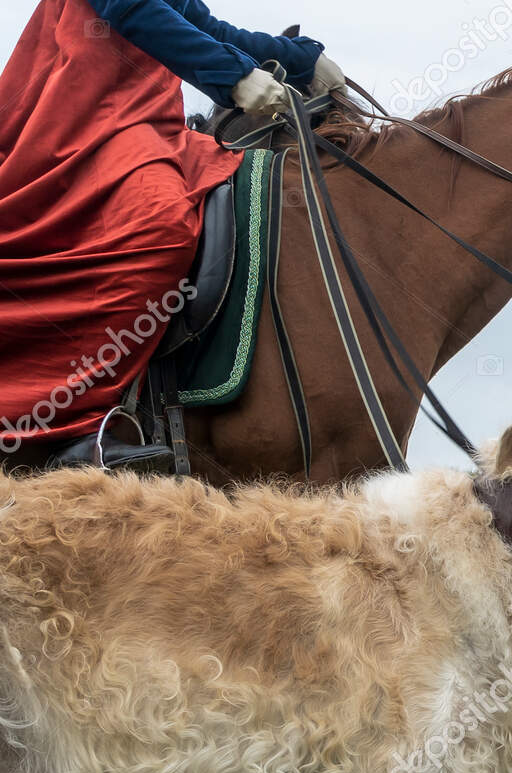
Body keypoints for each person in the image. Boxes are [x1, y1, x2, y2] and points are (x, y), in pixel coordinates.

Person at [0, 0, 344, 470]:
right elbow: (130, 6)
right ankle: (75, 432)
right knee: (161, 229)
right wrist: (235, 76)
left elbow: (201, 24)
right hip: (87, 117)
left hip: (142, 116)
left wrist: (303, 57)